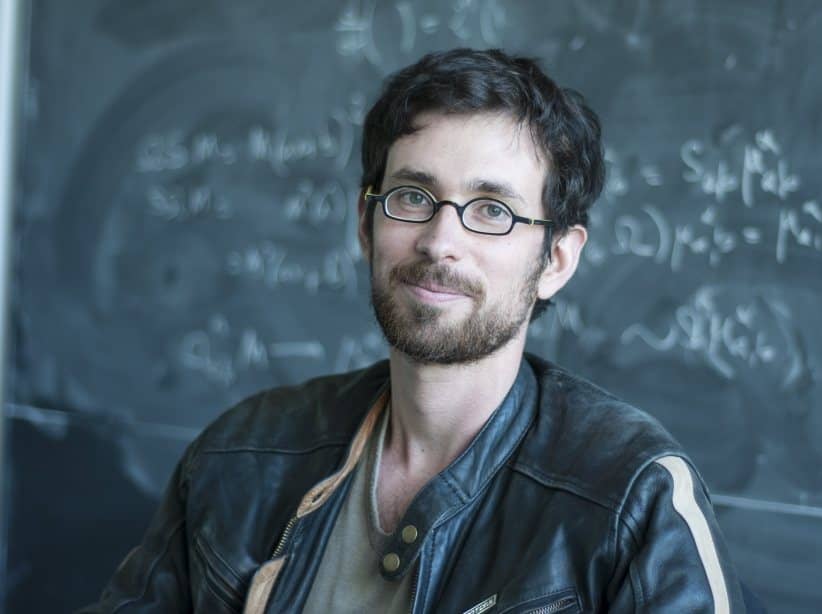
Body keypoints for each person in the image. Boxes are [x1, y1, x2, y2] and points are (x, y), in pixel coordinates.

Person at [82, 48, 749, 613]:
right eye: (413, 198)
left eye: (491, 209)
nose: (440, 241)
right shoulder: (238, 457)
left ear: (556, 260)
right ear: (366, 225)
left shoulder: (633, 498)